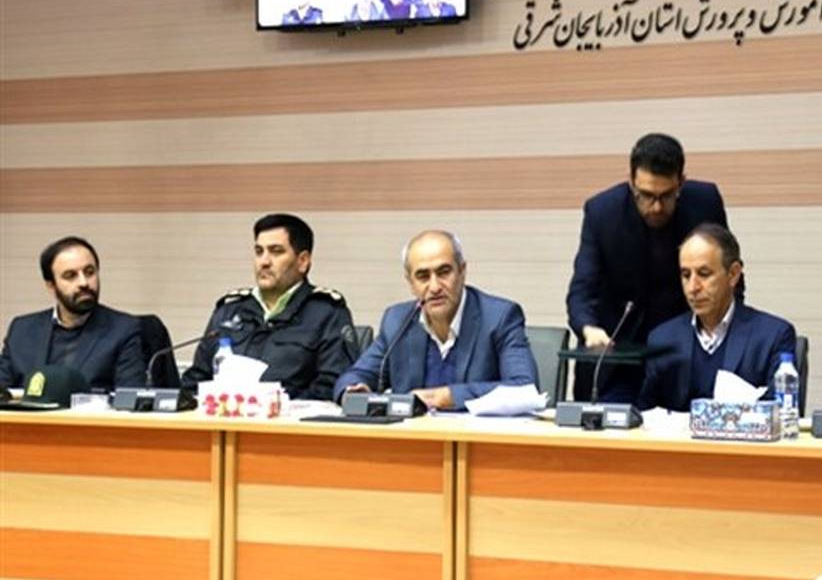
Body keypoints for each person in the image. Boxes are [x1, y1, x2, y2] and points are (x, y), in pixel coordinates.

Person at [566, 132, 734, 402]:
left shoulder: (705, 202)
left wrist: (728, 333)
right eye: (645, 195)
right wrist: (589, 328)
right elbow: (583, 289)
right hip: (619, 358)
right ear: (631, 182)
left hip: (684, 354)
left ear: (681, 182)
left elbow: (728, 277)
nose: (656, 207)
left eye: (666, 196)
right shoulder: (603, 212)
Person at [334, 230, 537, 410]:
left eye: (444, 272)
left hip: (477, 437)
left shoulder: (499, 317)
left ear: (462, 271)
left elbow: (524, 387)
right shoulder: (398, 321)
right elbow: (354, 376)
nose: (434, 287)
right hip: (413, 437)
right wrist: (354, 392)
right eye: (423, 276)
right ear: (411, 283)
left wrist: (444, 397)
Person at [181, 214, 355, 401]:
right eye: (259, 252)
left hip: (290, 417)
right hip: (223, 415)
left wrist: (275, 405)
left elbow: (330, 387)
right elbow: (195, 381)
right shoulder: (229, 310)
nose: (264, 262)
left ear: (303, 261)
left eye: (276, 252)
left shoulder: (327, 313)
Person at [637, 225, 805, 413]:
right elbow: (644, 416)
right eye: (686, 275)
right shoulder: (663, 338)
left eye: (704, 274)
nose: (693, 287)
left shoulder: (772, 336)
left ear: (733, 274)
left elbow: (780, 414)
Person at [0, 236, 146, 392]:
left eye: (89, 272)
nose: (84, 283)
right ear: (51, 286)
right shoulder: (21, 330)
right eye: (70, 275)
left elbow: (129, 398)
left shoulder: (122, 330)